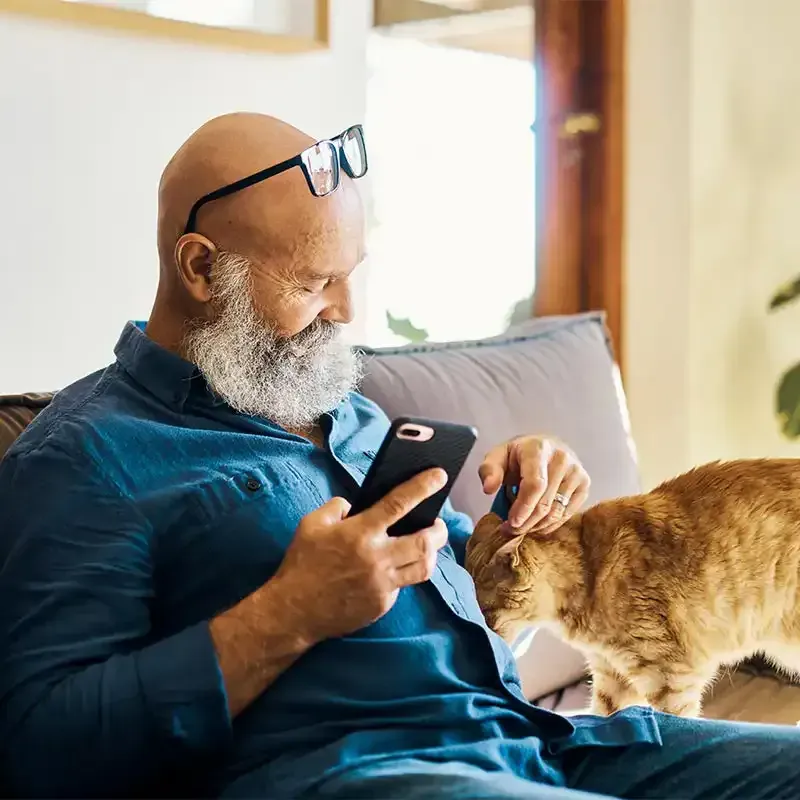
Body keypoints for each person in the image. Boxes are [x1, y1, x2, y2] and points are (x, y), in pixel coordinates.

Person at [0, 112, 797, 800]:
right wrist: (286, 614)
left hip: (537, 744)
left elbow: (471, 603)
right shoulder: (86, 458)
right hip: (360, 771)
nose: (346, 312)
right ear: (202, 267)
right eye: (315, 282)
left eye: (351, 276)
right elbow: (39, 748)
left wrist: (529, 512)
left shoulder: (341, 408)